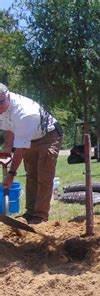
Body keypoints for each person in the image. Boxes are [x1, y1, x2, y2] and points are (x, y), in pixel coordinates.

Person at [0, 83, 63, 224]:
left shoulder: (25, 113)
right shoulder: (3, 106)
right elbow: (9, 128)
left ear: (8, 95)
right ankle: (30, 212)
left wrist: (11, 174)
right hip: (30, 136)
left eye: (1, 102)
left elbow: (21, 149)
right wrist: (7, 149)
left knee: (44, 174)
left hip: (49, 135)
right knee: (31, 174)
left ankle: (40, 215)